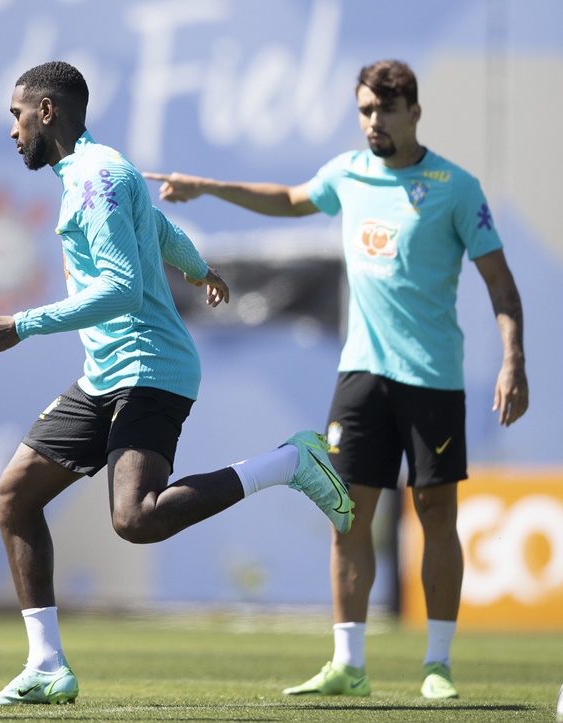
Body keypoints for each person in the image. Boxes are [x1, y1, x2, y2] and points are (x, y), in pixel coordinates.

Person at [0, 61, 355, 706]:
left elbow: (118, 289)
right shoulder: (92, 171)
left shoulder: (96, 177)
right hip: (105, 376)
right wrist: (201, 268)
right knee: (12, 500)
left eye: (17, 114)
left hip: (149, 370)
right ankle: (47, 665)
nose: (12, 129)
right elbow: (159, 228)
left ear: (48, 112)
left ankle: (289, 461)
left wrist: (24, 324)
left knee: (135, 520)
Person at [143, 59, 528, 701]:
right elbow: (289, 200)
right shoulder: (349, 174)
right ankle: (348, 663)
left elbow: (501, 283)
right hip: (361, 377)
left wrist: (513, 359)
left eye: (385, 110)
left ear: (413, 112)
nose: (373, 122)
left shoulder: (456, 188)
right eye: (365, 111)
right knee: (346, 514)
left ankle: (437, 664)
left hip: (433, 379)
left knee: (435, 512)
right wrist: (208, 187)